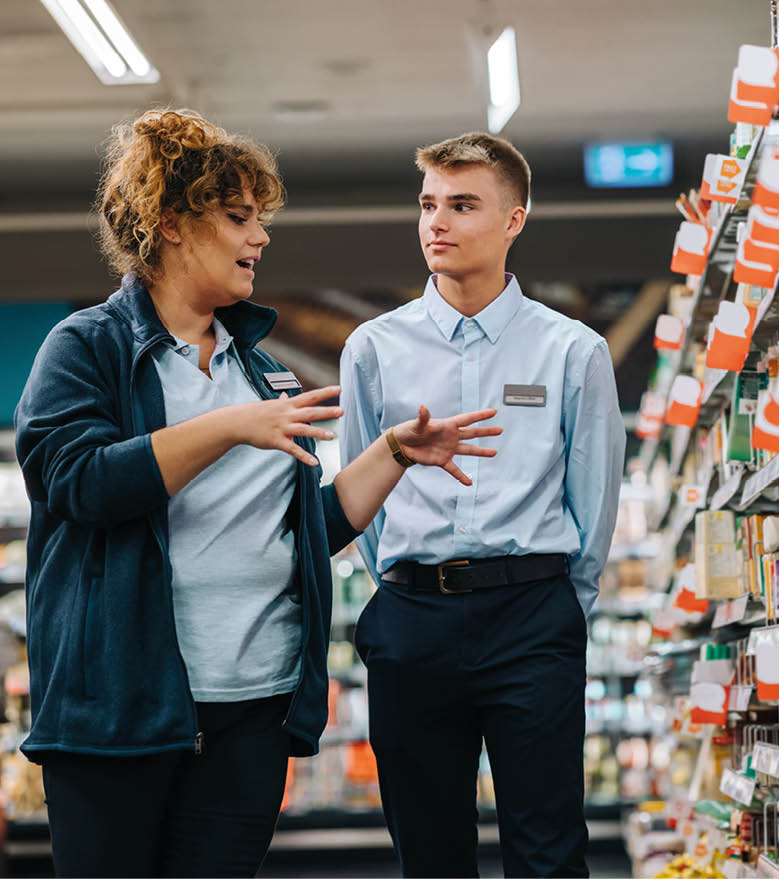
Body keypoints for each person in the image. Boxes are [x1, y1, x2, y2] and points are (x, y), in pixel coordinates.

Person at [13, 109, 501, 878]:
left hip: (253, 711)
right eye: (239, 218)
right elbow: (76, 482)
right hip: (121, 712)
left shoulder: (259, 368)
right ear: (171, 224)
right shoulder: (86, 349)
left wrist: (395, 454)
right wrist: (228, 428)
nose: (261, 238)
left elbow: (302, 529)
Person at [338, 132, 625, 877]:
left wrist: (562, 607)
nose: (438, 222)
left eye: (463, 204)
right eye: (429, 204)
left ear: (513, 220)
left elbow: (593, 502)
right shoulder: (373, 348)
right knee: (429, 856)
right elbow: (357, 498)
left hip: (531, 617)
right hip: (412, 620)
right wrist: (404, 590)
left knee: (549, 849)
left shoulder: (572, 351)